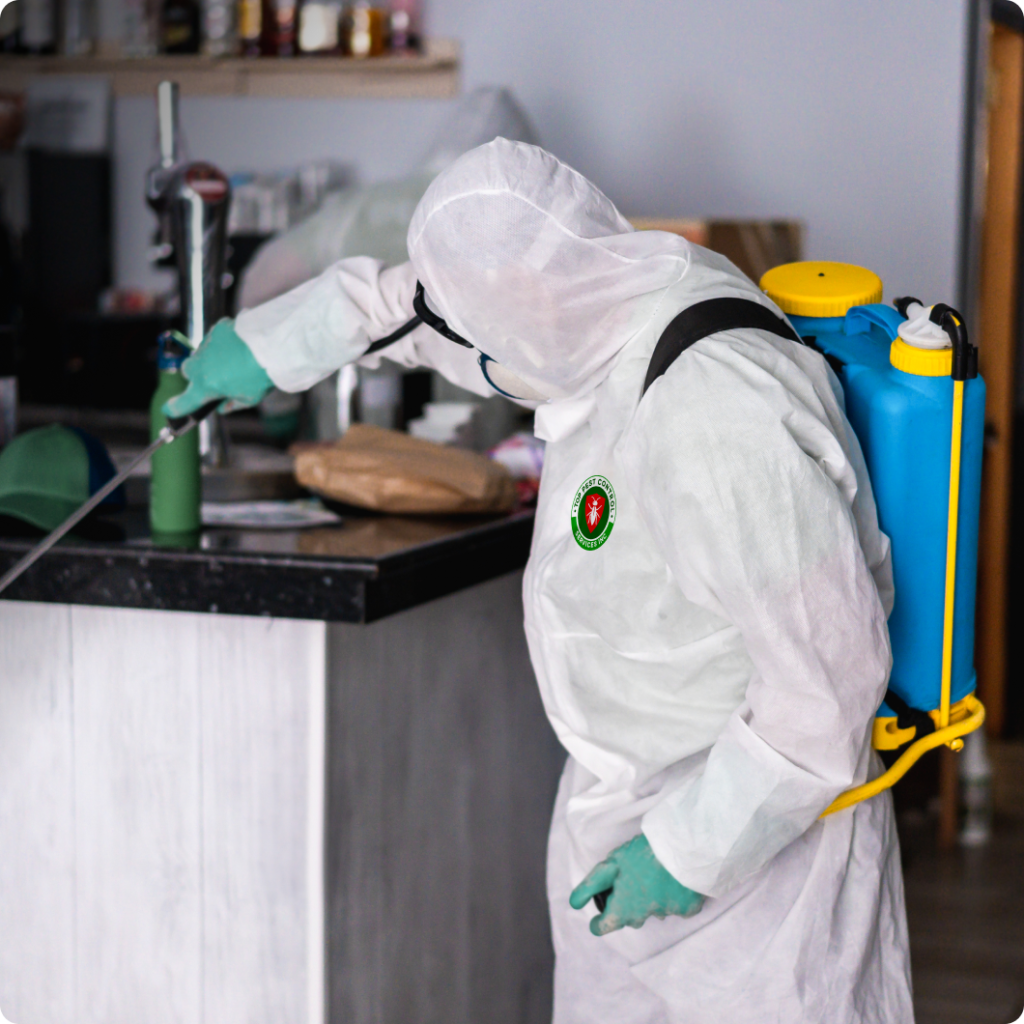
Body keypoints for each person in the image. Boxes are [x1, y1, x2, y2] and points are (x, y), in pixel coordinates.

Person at [167, 138, 914, 1022]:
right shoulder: (594, 295)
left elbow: (828, 683)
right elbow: (414, 310)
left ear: (533, 301)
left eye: (487, 329)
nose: (473, 348)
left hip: (760, 862)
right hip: (620, 806)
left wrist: (686, 852)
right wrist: (266, 348)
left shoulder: (718, 417)